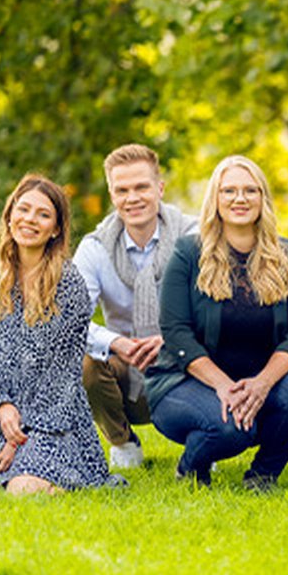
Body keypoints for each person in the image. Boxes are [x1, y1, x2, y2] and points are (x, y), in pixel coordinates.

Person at [147, 156, 288, 491]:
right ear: (215, 199)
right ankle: (191, 466)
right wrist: (222, 387)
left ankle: (262, 474)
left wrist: (261, 384)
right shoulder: (189, 253)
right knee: (231, 429)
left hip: (261, 381)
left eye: (250, 190)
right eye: (229, 190)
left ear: (263, 199)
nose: (240, 198)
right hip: (186, 381)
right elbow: (176, 331)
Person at [0, 175, 117, 494]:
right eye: (24, 209)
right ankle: (16, 467)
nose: (30, 219)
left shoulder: (69, 287)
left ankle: (52, 475)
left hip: (54, 419)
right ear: (10, 214)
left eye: (43, 214)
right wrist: (3, 406)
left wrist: (17, 439)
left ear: (55, 229)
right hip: (3, 412)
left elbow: (63, 380)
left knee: (23, 489)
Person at [74, 144, 195, 469]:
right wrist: (115, 342)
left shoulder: (194, 236)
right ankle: (123, 443)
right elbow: (70, 320)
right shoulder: (95, 247)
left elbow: (215, 311)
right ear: (112, 194)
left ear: (159, 187)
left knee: (212, 345)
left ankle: (204, 439)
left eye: (141, 186)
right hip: (128, 368)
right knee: (86, 361)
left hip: (190, 362)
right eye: (122, 190)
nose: (133, 198)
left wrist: (173, 340)